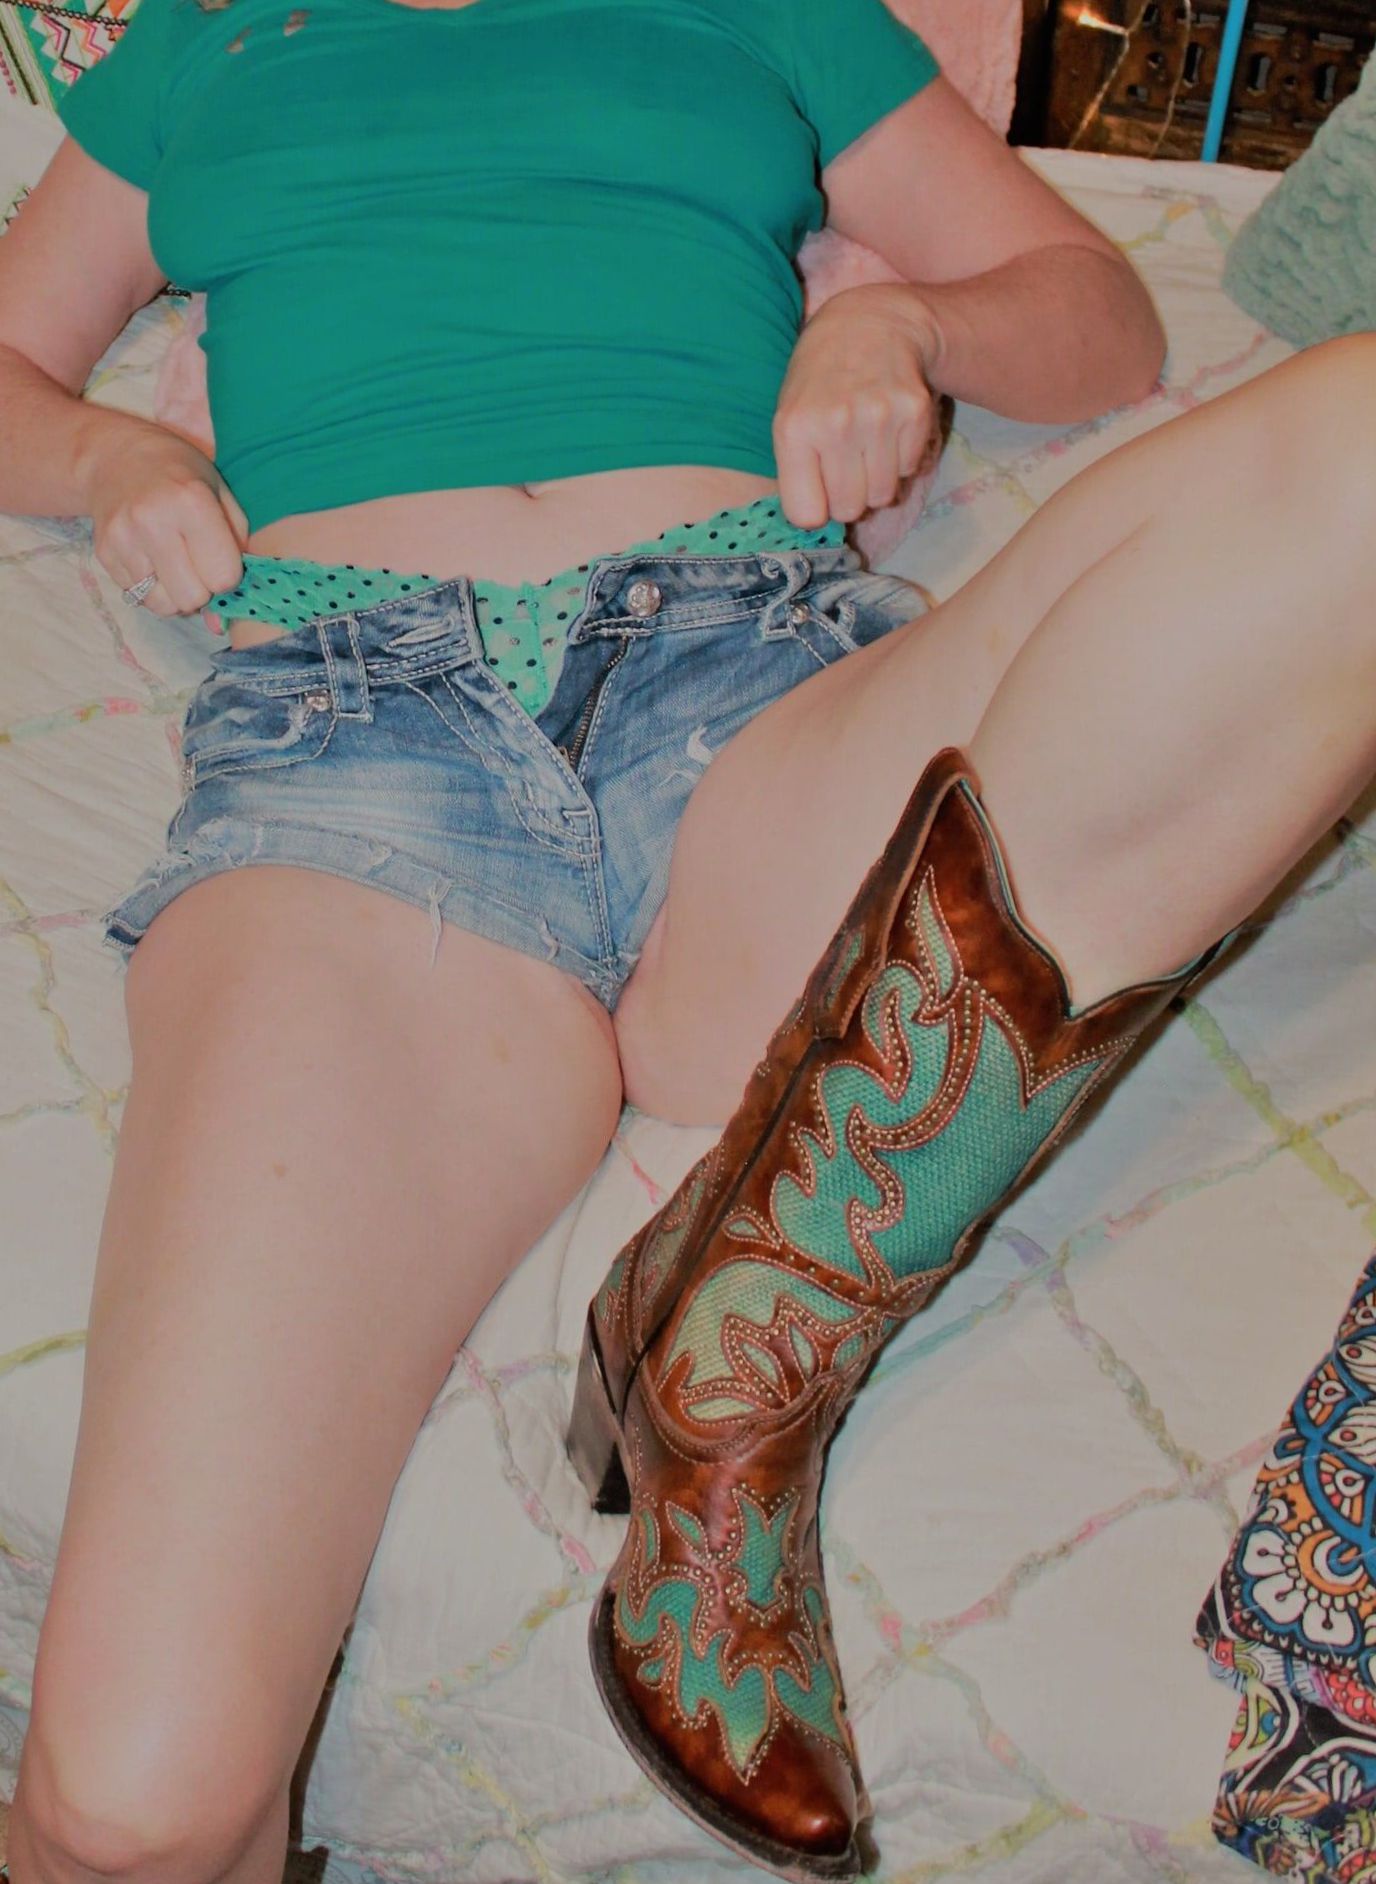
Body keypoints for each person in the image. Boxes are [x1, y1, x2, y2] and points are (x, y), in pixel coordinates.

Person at [0, 0, 1372, 1875]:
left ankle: (737, 1347)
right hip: (364, 745)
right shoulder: (210, 36)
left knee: (1357, 449)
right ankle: (699, 1334)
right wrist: (105, 459)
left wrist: (902, 324)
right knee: (126, 1804)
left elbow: (1095, 313)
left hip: (757, 686)